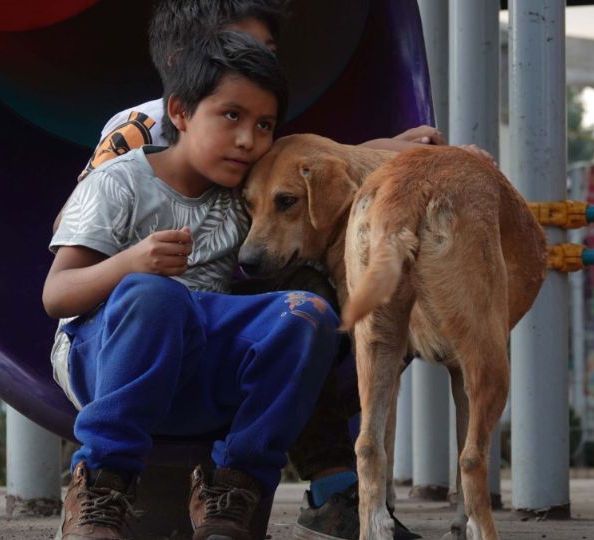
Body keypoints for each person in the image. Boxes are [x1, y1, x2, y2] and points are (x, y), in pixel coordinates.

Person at [51, 2, 436, 539]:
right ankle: (101, 482)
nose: (248, 138)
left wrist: (389, 153)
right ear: (181, 106)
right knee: (156, 295)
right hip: (114, 342)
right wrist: (129, 262)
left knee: (306, 309)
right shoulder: (131, 153)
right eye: (232, 116)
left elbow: (306, 169)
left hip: (205, 346)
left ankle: (236, 486)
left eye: (263, 124)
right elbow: (59, 283)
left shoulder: (243, 164)